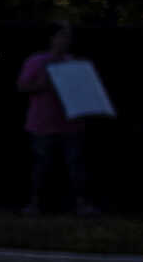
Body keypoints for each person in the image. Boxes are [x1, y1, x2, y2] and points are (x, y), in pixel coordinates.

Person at [17, 21, 98, 215]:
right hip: (42, 123)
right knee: (42, 166)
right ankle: (36, 204)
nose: (66, 40)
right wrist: (44, 80)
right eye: (62, 35)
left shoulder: (73, 63)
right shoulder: (36, 61)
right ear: (52, 38)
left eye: (68, 36)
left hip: (71, 124)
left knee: (75, 166)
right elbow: (23, 87)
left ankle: (81, 204)